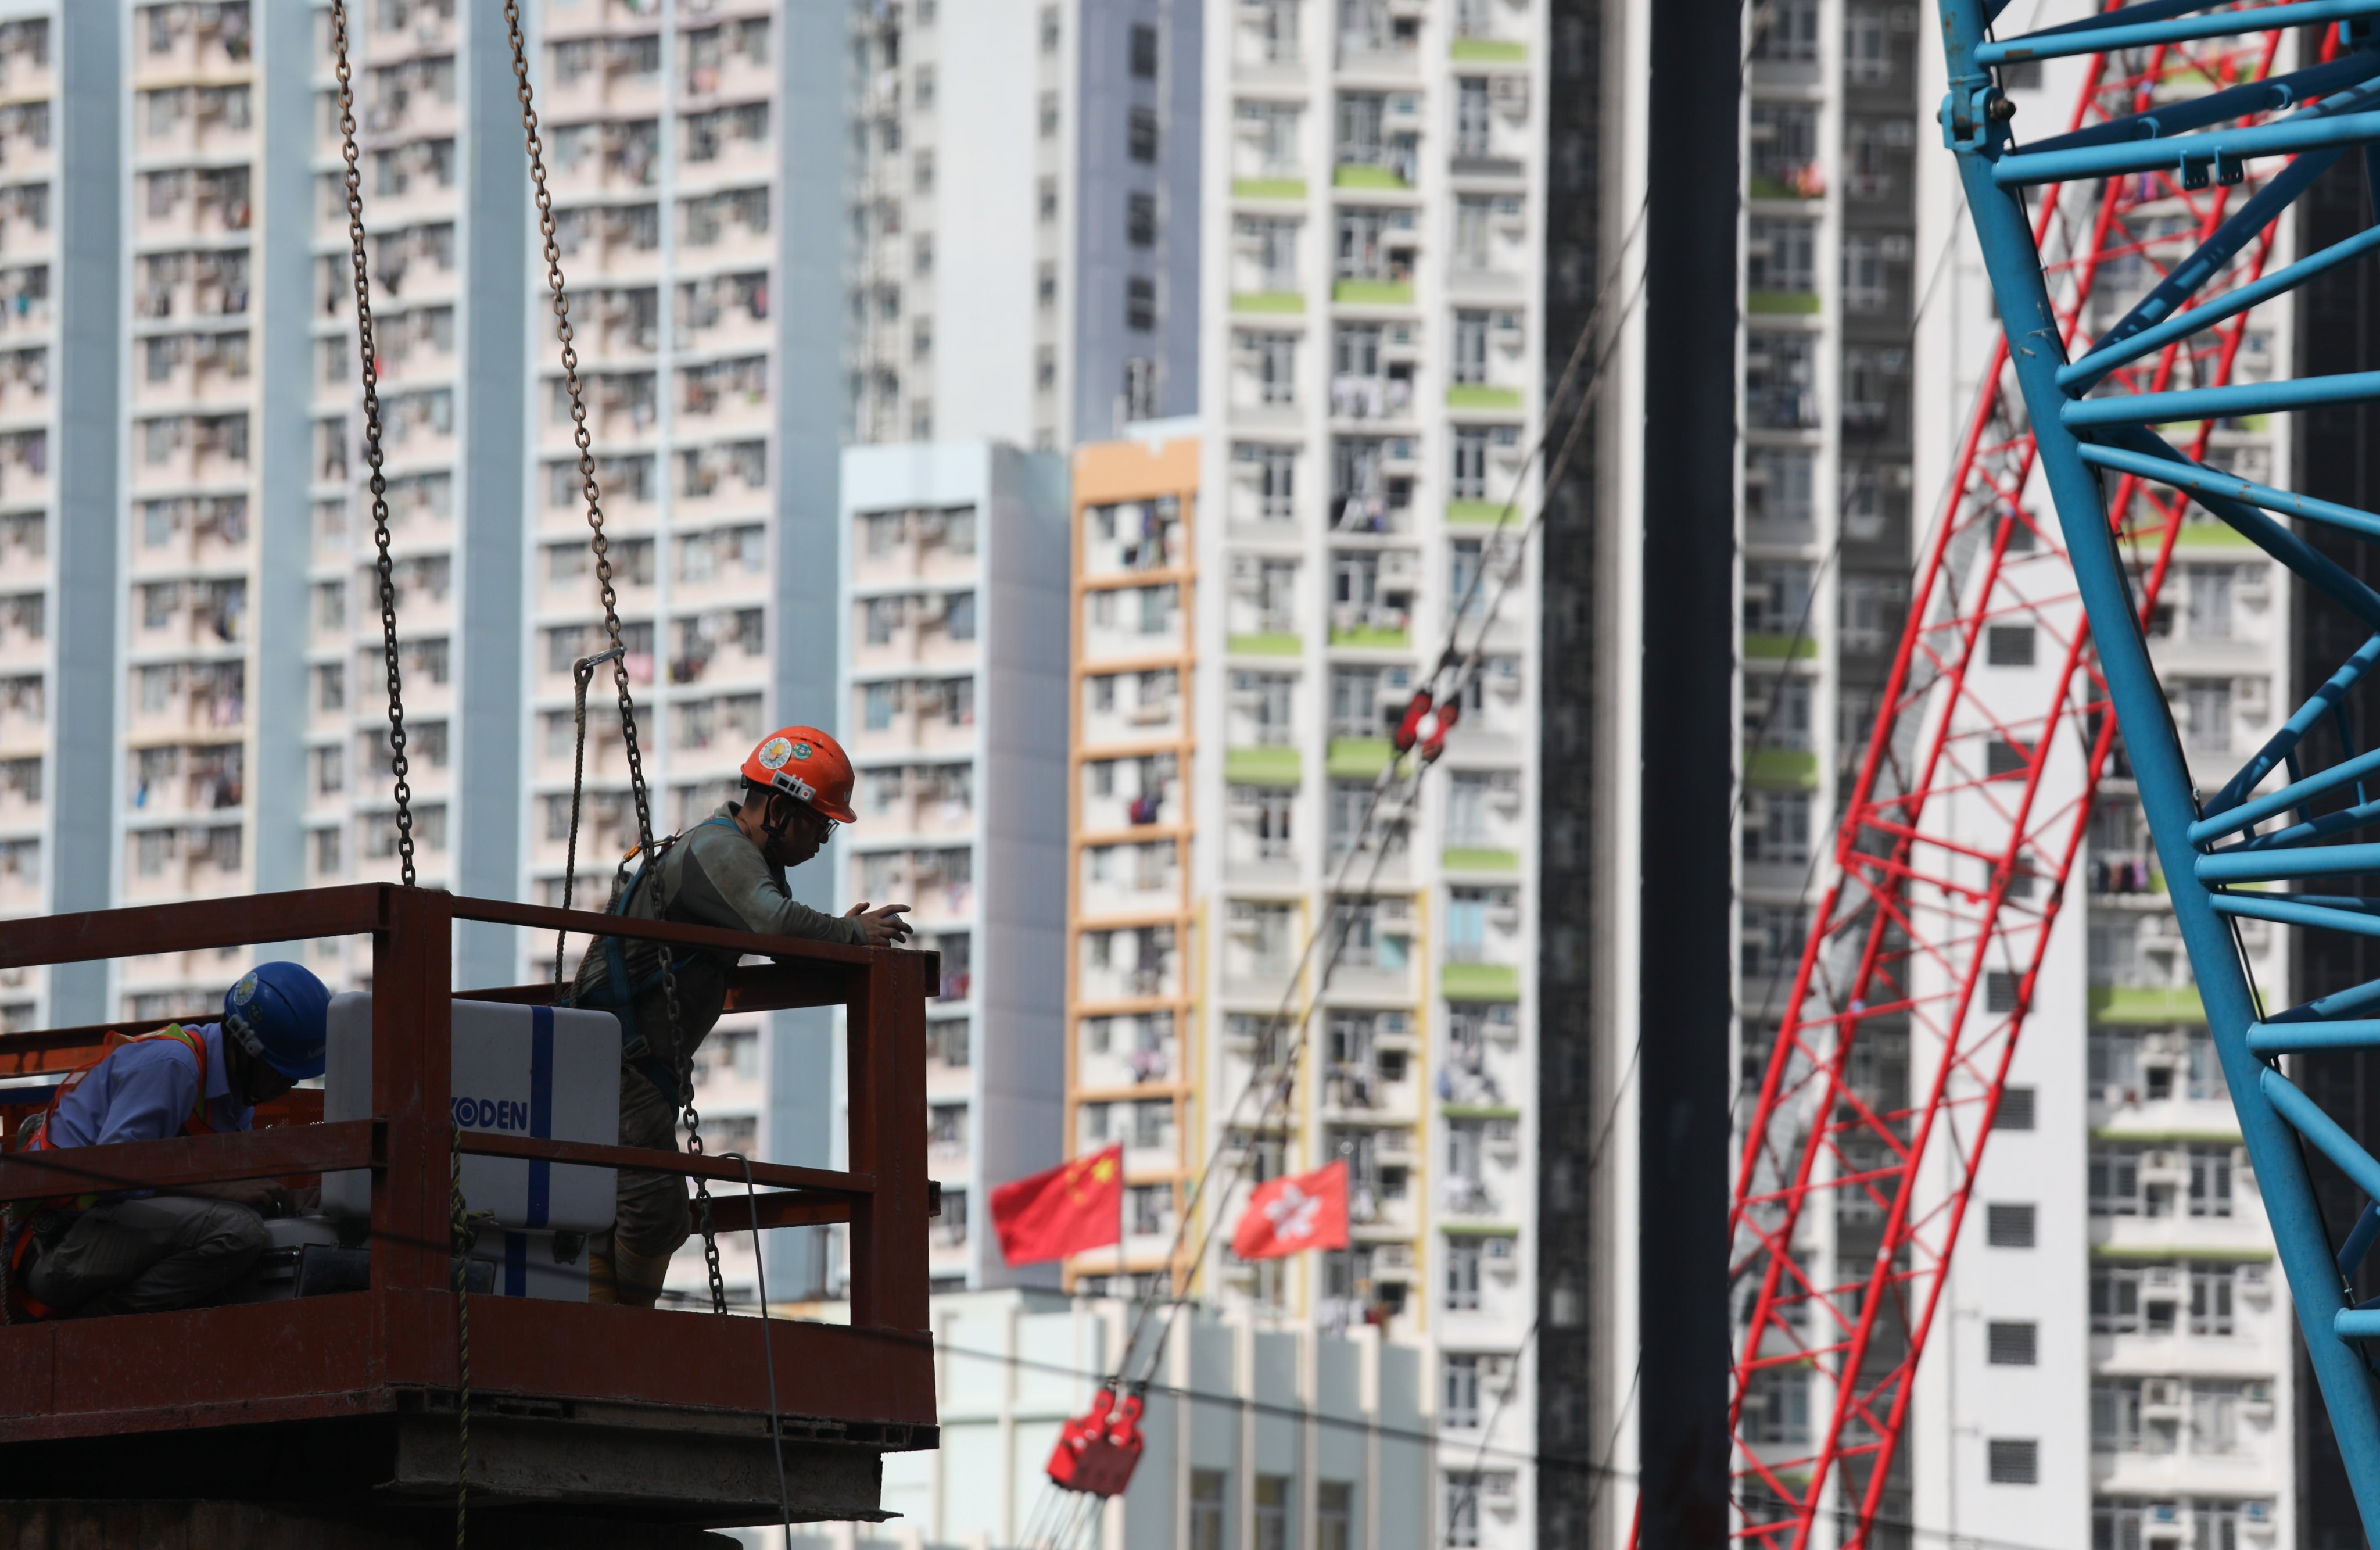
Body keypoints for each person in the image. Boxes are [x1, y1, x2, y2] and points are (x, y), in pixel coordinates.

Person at [572, 725, 911, 1306]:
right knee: (652, 1213)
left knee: (624, 1209)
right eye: (819, 823)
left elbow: (779, 934)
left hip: (624, 1061)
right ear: (780, 809)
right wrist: (851, 932)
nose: (823, 840)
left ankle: (602, 1330)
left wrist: (839, 936)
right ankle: (611, 1343)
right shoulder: (719, 850)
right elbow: (774, 924)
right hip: (617, 1060)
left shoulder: (745, 858)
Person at [6, 961, 330, 1319]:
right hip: (61, 1242)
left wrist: (284, 1199)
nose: (290, 1086)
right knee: (238, 1232)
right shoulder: (173, 1065)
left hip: (101, 1236)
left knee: (251, 1226)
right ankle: (100, 1328)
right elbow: (113, 1177)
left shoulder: (233, 1097)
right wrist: (223, 1191)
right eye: (283, 1073)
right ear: (246, 1048)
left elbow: (230, 1191)